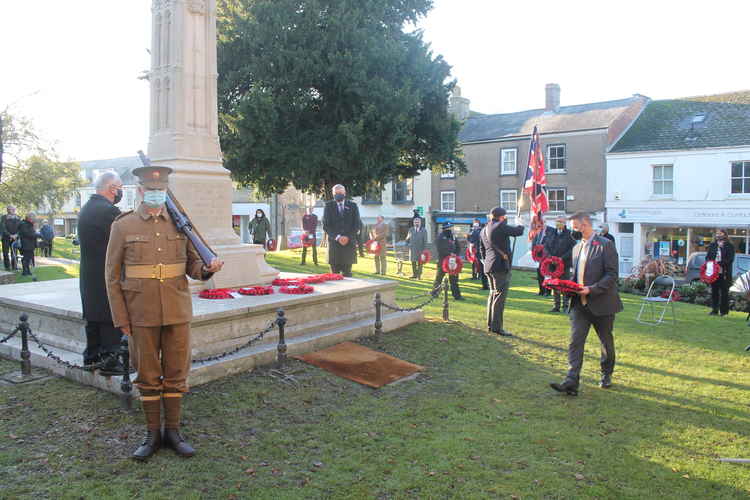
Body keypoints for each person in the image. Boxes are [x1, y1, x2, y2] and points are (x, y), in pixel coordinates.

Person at [105, 165, 223, 461]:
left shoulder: (181, 225)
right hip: (140, 312)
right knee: (147, 374)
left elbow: (193, 266)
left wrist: (206, 270)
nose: (156, 194)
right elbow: (111, 276)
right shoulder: (123, 225)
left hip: (176, 309)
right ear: (141, 191)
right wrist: (121, 317)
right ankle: (152, 434)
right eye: (151, 190)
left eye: (161, 190)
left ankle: (173, 432)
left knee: (175, 373)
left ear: (166, 192)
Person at [550, 212, 623, 396]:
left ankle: (606, 374)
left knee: (606, 341)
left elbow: (612, 275)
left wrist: (592, 289)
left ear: (585, 224)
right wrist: (565, 286)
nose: (572, 230)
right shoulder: (576, 248)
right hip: (579, 304)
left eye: (575, 226)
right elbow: (576, 276)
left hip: (602, 303)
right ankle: (571, 381)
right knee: (576, 341)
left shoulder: (605, 245)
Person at [78, 172, 127, 374]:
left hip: (90, 273)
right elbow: (125, 241)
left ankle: (92, 357)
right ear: (112, 188)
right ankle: (110, 361)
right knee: (108, 316)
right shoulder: (108, 211)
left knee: (93, 316)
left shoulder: (88, 208)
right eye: (120, 187)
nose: (121, 192)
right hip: (105, 273)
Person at [479, 207, 524, 336]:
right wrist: (520, 222)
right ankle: (497, 327)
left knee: (493, 295)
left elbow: (481, 250)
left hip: (489, 266)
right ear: (502, 217)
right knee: (499, 297)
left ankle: (491, 324)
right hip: (500, 267)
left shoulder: (484, 229)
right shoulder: (500, 226)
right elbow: (518, 232)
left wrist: (486, 262)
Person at [322, 184, 360, 277]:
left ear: (345, 193)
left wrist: (347, 237)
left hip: (348, 246)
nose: (338, 194)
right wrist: (338, 237)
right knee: (334, 276)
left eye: (340, 193)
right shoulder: (328, 206)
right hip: (334, 246)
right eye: (336, 193)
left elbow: (356, 225)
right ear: (333, 193)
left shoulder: (353, 206)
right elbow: (326, 226)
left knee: (347, 275)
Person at [545, 216, 576, 313]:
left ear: (565, 223)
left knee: (564, 285)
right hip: (553, 264)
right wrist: (550, 257)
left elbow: (572, 249)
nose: (558, 223)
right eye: (557, 221)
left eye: (560, 221)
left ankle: (566, 306)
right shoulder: (552, 233)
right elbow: (546, 246)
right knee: (554, 285)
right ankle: (556, 306)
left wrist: (561, 258)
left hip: (564, 264)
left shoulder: (569, 234)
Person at [707, 229, 735, 316]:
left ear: (725, 234)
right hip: (714, 272)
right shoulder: (712, 245)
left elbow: (730, 259)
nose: (718, 235)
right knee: (714, 291)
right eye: (717, 233)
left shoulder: (729, 246)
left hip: (724, 272)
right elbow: (708, 256)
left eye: (720, 233)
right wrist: (710, 263)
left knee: (724, 293)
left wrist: (718, 264)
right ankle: (714, 310)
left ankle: (724, 311)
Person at [433, 222, 463, 300]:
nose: (451, 229)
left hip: (453, 262)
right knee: (439, 279)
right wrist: (450, 254)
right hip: (443, 261)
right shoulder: (440, 237)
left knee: (454, 280)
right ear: (445, 229)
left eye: (451, 227)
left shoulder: (453, 236)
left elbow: (458, 247)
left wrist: (455, 254)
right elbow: (440, 249)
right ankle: (435, 293)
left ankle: (457, 296)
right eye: (449, 228)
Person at [530, 215, 554, 296]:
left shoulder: (551, 230)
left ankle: (547, 292)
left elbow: (550, 243)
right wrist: (533, 252)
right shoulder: (537, 230)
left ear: (545, 222)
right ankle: (541, 291)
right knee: (539, 274)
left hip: (547, 256)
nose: (540, 224)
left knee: (547, 274)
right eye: (539, 222)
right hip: (538, 257)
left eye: (542, 222)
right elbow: (534, 242)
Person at [1, 206, 21, 270]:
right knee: (5, 252)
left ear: (14, 210)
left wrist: (16, 235)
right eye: (9, 209)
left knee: (14, 253)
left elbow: (20, 228)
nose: (10, 210)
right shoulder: (3, 217)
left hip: (15, 238)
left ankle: (14, 266)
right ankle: (7, 267)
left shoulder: (18, 217)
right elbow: (3, 228)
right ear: (7, 210)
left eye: (12, 209)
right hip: (6, 238)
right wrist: (10, 235)